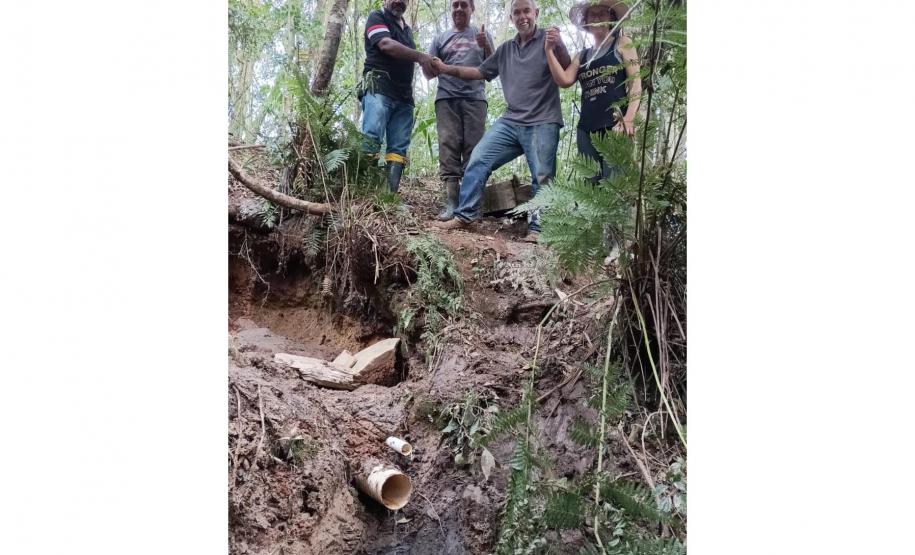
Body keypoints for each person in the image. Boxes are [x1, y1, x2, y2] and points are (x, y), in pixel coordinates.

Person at [431, 0, 571, 242]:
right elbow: (479, 72)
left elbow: (568, 69)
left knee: (542, 175)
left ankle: (538, 229)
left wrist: (558, 45)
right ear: (511, 18)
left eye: (526, 11)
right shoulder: (506, 49)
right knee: (479, 158)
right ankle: (465, 215)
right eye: (516, 12)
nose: (522, 16)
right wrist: (445, 69)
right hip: (511, 120)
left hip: (543, 120)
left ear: (536, 13)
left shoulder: (548, 40)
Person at [546, 0, 641, 182]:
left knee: (614, 185)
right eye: (592, 14)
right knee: (590, 187)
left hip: (615, 125)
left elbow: (635, 83)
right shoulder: (581, 55)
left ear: (611, 17)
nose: (597, 18)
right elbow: (564, 80)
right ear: (586, 22)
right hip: (586, 129)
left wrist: (629, 119)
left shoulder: (622, 43)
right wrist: (549, 51)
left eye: (602, 13)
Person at [360, 0, 439, 193]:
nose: (399, 1)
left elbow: (414, 60)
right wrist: (420, 56)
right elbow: (386, 44)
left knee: (398, 147)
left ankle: (389, 196)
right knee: (371, 137)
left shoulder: (407, 30)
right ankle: (364, 192)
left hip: (403, 97)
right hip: (378, 88)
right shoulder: (377, 17)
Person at [428, 0, 494, 220]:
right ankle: (451, 202)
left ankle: (470, 203)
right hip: (447, 98)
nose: (458, 8)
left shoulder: (482, 35)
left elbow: (493, 69)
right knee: (448, 145)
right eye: (455, 4)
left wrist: (487, 46)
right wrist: (424, 60)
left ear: (471, 9)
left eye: (463, 4)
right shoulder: (440, 38)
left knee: (475, 150)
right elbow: (428, 73)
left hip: (475, 99)